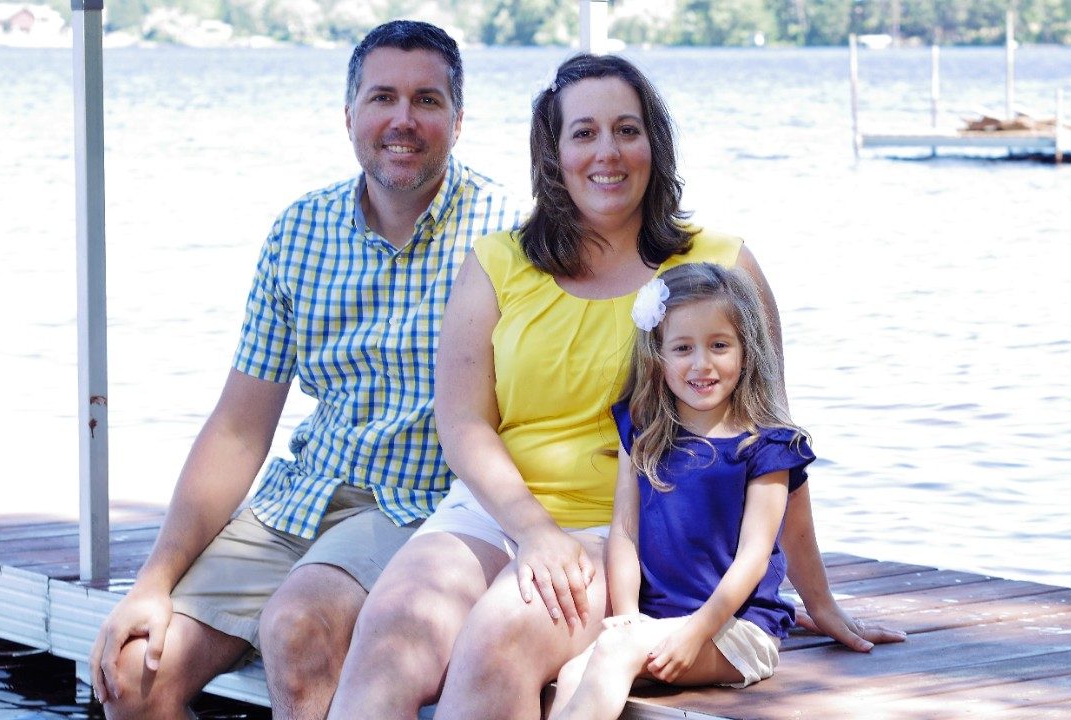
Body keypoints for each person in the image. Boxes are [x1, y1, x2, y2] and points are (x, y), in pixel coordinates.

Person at [328, 53, 904, 720]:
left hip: (628, 531)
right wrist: (533, 530)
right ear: (555, 152)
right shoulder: (496, 263)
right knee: (391, 628)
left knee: (497, 641)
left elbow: (772, 444)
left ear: (654, 144)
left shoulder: (721, 266)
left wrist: (819, 597)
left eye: (627, 130)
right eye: (584, 133)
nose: (608, 152)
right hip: (495, 512)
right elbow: (463, 424)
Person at [87, 20, 520, 719]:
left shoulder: (508, 235)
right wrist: (152, 582)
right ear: (349, 115)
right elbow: (238, 427)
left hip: (416, 504)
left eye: (427, 100)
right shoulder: (300, 230)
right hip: (301, 496)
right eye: (382, 98)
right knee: (133, 676)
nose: (402, 120)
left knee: (299, 625)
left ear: (458, 119)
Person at [549, 262, 813, 719]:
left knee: (610, 654)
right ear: (658, 355)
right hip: (653, 624)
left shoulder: (767, 445)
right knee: (575, 670)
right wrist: (629, 615)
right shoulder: (645, 430)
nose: (701, 364)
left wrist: (695, 633)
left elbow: (754, 556)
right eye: (683, 348)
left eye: (719, 346)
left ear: (746, 351)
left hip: (736, 630)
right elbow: (625, 531)